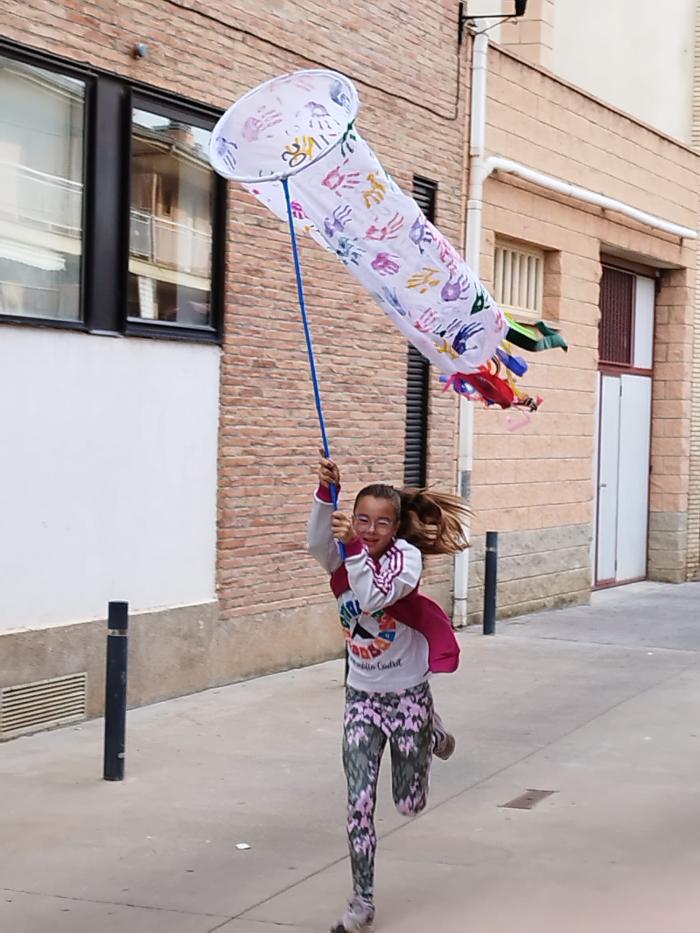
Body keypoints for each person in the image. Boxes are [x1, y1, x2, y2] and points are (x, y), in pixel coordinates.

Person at [307, 454, 471, 933]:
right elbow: (318, 543)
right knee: (358, 802)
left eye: (382, 523)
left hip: (406, 697)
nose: (371, 530)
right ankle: (362, 903)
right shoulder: (345, 552)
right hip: (360, 697)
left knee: (408, 804)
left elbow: (376, 596)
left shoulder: (406, 560)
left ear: (397, 527)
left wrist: (355, 547)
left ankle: (430, 729)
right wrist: (324, 496)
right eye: (362, 520)